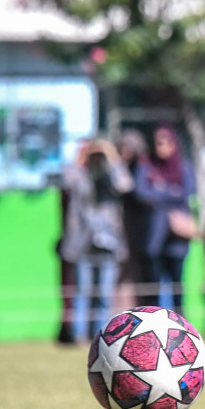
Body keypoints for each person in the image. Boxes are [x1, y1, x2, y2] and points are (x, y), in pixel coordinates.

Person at [59, 137, 134, 342]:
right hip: (82, 243)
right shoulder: (80, 175)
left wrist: (112, 157)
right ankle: (78, 335)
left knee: (103, 295)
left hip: (109, 243)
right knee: (81, 292)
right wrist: (82, 156)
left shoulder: (111, 175)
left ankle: (100, 336)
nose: (97, 158)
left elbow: (125, 184)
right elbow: (66, 179)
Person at [134, 124, 196, 312]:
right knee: (153, 286)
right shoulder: (146, 166)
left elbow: (186, 192)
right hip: (153, 237)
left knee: (177, 285)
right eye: (157, 143)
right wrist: (170, 192)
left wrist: (159, 192)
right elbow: (141, 193)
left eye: (165, 142)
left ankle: (179, 330)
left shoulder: (183, 167)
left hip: (177, 238)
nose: (161, 147)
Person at [115, 129, 151, 309]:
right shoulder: (116, 168)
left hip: (138, 232)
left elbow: (137, 191)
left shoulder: (142, 168)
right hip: (116, 234)